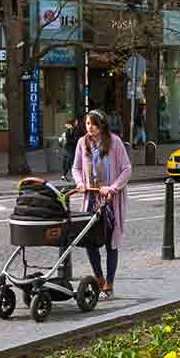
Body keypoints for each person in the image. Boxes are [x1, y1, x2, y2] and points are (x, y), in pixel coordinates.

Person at [71, 110, 132, 299]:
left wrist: (113, 187)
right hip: (91, 199)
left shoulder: (114, 142)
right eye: (88, 124)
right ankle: (99, 279)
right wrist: (80, 183)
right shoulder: (83, 143)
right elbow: (76, 168)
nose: (90, 128)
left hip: (110, 201)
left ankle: (110, 283)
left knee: (110, 242)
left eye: (94, 124)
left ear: (102, 125)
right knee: (90, 241)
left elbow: (126, 169)